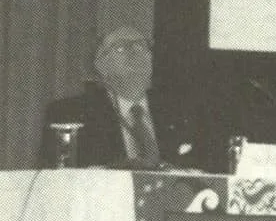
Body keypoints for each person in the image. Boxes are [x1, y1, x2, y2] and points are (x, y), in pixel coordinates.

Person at [39, 26, 199, 169]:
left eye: (140, 46)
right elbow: (57, 177)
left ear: (151, 59)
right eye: (120, 48)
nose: (133, 53)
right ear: (101, 65)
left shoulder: (179, 112)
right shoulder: (69, 113)